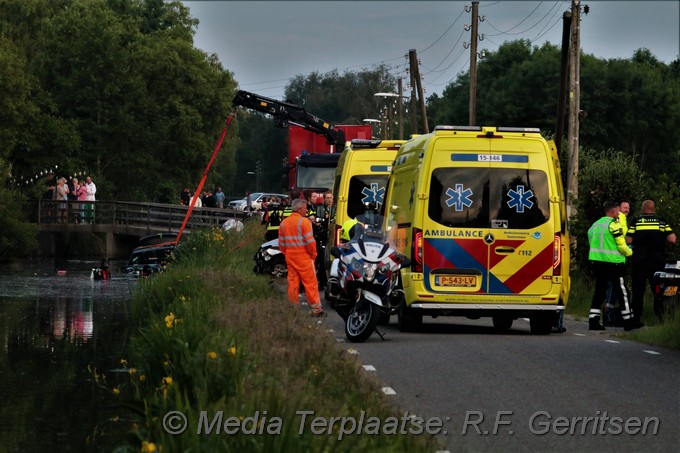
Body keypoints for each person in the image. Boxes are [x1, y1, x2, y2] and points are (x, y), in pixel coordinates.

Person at [587, 201, 636, 331]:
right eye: (618, 211)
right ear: (613, 211)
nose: (619, 213)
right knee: (622, 291)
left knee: (599, 291)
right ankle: (628, 321)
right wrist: (630, 252)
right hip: (614, 263)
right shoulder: (613, 225)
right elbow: (621, 245)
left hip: (597, 263)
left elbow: (591, 241)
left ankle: (593, 321)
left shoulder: (594, 225)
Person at [626, 199, 677, 323]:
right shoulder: (661, 222)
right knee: (658, 289)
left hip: (640, 260)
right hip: (657, 261)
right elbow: (672, 239)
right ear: (654, 209)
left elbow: (628, 240)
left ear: (643, 209)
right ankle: (661, 317)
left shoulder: (636, 221)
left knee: (638, 290)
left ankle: (636, 317)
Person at [278, 198, 326, 317]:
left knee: (293, 283)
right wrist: (313, 255)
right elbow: (310, 242)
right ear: (299, 209)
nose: (306, 210)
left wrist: (287, 253)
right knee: (310, 283)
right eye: (305, 208)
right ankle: (316, 309)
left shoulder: (284, 223)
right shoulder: (304, 222)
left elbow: (281, 243)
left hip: (290, 256)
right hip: (304, 257)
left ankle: (292, 309)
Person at [604, 199, 631, 326]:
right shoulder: (618, 218)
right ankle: (610, 316)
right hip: (616, 258)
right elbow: (619, 238)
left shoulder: (622, 219)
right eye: (625, 207)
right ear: (619, 209)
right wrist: (629, 251)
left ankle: (612, 315)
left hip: (616, 257)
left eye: (628, 208)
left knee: (615, 288)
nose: (627, 210)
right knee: (615, 288)